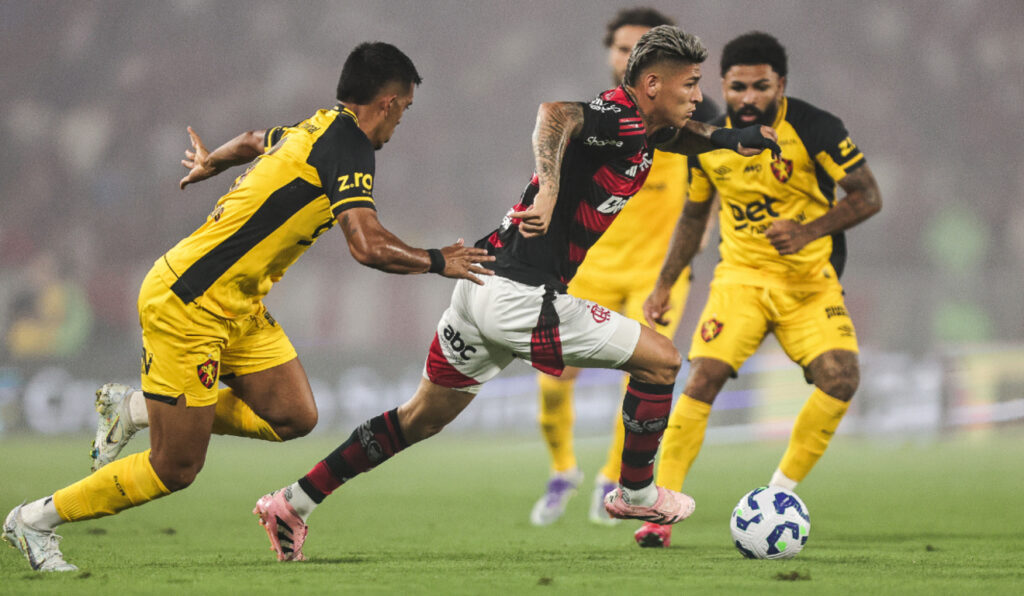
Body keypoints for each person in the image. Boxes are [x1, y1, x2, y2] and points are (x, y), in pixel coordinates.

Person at [249, 25, 781, 562]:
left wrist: (730, 140)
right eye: (690, 84)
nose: (698, 96)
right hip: (523, 298)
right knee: (662, 362)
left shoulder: (639, 129)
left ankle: (292, 503)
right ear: (652, 86)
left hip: (480, 285)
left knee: (419, 417)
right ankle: (636, 494)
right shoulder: (618, 118)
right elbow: (554, 114)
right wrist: (548, 188)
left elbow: (677, 136)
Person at [2, 41, 494, 572]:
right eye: (405, 109)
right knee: (175, 467)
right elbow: (367, 246)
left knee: (295, 415)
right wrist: (438, 260)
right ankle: (34, 521)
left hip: (238, 304)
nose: (400, 123)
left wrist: (211, 162)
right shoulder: (349, 143)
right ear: (389, 103)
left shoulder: (317, 126)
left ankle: (137, 408)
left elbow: (254, 140)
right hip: (188, 303)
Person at [633, 31, 882, 548]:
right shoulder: (708, 139)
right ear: (723, 84)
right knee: (702, 377)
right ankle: (660, 513)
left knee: (841, 378)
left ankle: (778, 495)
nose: (748, 98)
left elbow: (868, 196)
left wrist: (809, 231)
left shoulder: (815, 127)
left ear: (780, 85)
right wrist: (664, 284)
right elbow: (694, 216)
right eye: (738, 87)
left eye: (760, 87)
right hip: (740, 281)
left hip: (808, 284)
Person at [530, 6, 720, 527]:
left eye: (638, 48)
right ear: (611, 55)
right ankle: (562, 470)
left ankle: (613, 480)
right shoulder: (598, 116)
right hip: (589, 267)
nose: (628, 57)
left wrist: (705, 224)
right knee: (553, 378)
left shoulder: (687, 113)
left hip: (655, 273)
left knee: (644, 371)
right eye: (621, 48)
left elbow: (716, 169)